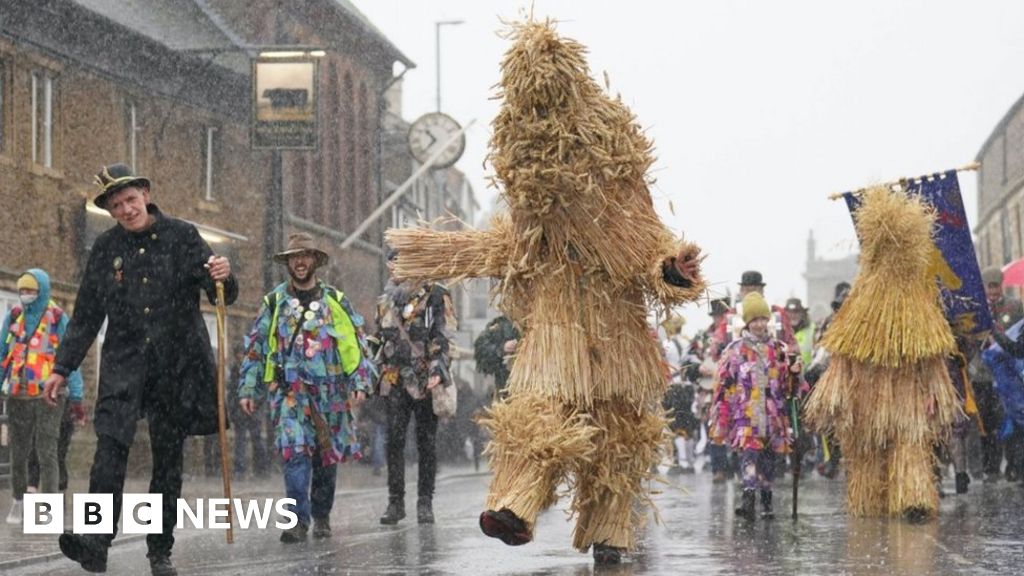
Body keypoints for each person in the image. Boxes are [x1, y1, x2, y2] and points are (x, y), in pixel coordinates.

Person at [43, 163, 236, 576]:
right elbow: (87, 314)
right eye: (117, 205)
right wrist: (62, 367)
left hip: (176, 364)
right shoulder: (106, 249)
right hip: (124, 364)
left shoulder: (183, 236)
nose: (126, 209)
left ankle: (160, 551)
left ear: (145, 194)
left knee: (167, 460)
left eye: (131, 200)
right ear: (110, 212)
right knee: (108, 450)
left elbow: (222, 292)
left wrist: (224, 275)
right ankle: (96, 542)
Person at [238, 232, 375, 542]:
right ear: (288, 262)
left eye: (305, 255)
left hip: (330, 394)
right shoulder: (273, 302)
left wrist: (359, 380)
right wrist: (249, 388)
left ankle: (321, 515)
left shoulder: (335, 301)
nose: (299, 262)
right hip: (288, 394)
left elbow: (354, 344)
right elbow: (257, 347)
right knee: (294, 453)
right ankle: (298, 520)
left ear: (315, 260)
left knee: (325, 458)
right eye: (293, 257)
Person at [376, 248, 455, 526]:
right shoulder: (385, 299)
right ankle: (395, 502)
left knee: (426, 442)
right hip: (394, 379)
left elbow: (442, 335)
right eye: (391, 261)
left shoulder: (433, 294)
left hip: (423, 379)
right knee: (394, 441)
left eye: (400, 260)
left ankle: (425, 502)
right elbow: (381, 338)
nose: (395, 266)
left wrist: (437, 370)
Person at [2, 269, 84, 523]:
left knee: (47, 450)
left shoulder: (58, 318)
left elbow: (71, 357)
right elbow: (3, 353)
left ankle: (47, 507)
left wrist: (77, 396)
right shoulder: (14, 317)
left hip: (50, 394)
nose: (25, 295)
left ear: (42, 291)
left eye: (31, 291)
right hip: (18, 394)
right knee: (19, 452)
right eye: (22, 290)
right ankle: (18, 501)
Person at [711, 292, 803, 521]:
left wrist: (793, 374)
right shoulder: (735, 350)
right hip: (747, 415)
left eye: (763, 319)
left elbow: (790, 387)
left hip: (774, 415)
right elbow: (725, 383)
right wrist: (724, 415)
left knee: (770, 459)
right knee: (749, 455)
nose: (760, 324)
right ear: (747, 322)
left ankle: (767, 499)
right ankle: (748, 498)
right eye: (755, 319)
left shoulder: (780, 349)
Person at [972, 267, 1023, 481]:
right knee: (985, 422)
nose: (992, 291)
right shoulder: (976, 309)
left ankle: (1013, 464)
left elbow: (1018, 333)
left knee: (1009, 419)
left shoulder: (1014, 306)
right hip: (982, 373)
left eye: (995, 286)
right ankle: (990, 466)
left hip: (1007, 373)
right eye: (989, 286)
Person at [661, 314, 699, 473]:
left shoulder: (666, 344)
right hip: (688, 387)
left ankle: (680, 461)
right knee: (688, 424)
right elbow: (695, 363)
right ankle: (689, 462)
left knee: (674, 423)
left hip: (674, 387)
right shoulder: (688, 342)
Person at [229, 343, 269, 478]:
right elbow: (232, 393)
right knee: (240, 442)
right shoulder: (235, 371)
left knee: (257, 440)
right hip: (240, 413)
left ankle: (261, 469)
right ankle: (240, 470)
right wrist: (234, 410)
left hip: (253, 411)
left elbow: (262, 391)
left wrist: (255, 405)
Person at [473, 315, 520, 397]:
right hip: (506, 392)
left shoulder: (543, 325)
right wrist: (501, 348)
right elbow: (481, 350)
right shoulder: (503, 324)